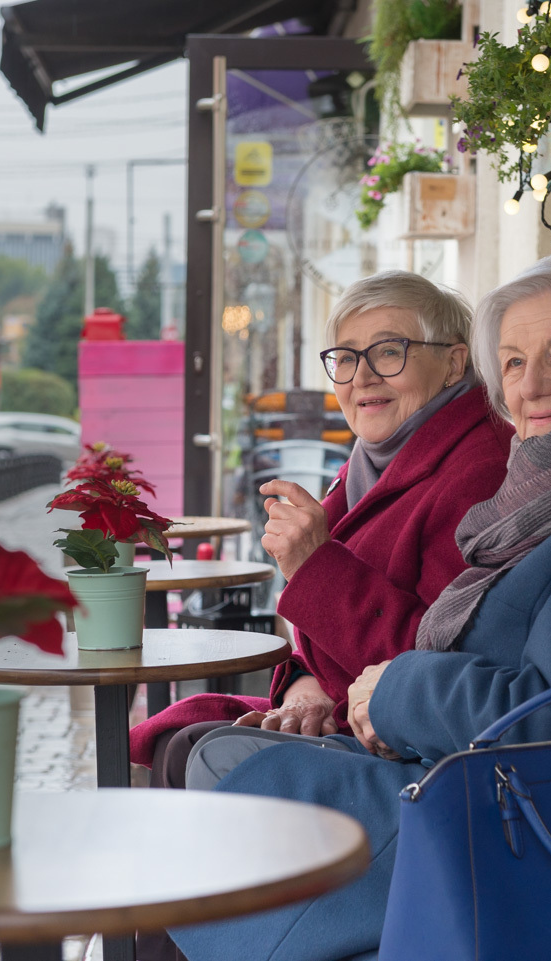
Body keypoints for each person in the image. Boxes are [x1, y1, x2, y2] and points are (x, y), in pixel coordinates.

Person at [170, 249, 551, 961]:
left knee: (217, 787)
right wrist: (370, 695)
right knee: (212, 783)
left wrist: (393, 690)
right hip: (481, 786)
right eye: (513, 362)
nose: (533, 384)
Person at [128, 271, 513, 788]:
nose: (362, 378)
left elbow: (438, 662)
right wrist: (302, 687)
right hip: (341, 708)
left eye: (389, 351)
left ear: (453, 363)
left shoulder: (479, 470)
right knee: (165, 742)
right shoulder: (372, 460)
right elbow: (318, 640)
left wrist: (314, 566)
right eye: (347, 358)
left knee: (188, 751)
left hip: (412, 750)